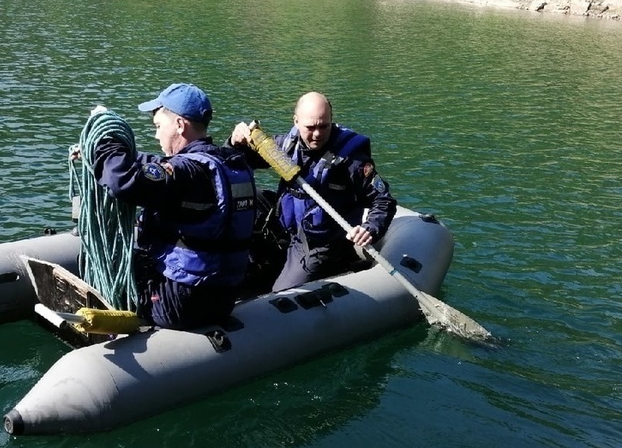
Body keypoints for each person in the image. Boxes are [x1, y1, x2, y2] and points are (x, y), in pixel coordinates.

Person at [90, 82, 257, 329]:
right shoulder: (225, 162)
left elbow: (123, 181)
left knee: (104, 265)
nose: (156, 135)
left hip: (177, 303)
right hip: (221, 298)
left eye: (159, 126)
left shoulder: (187, 173)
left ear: (179, 125)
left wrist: (106, 143)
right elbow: (162, 165)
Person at [231, 91, 396, 292]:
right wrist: (234, 143)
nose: (317, 134)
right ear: (296, 121)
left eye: (323, 126)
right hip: (285, 229)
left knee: (284, 293)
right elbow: (233, 162)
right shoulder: (284, 146)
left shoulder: (352, 161)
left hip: (320, 242)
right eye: (310, 127)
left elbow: (384, 200)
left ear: (331, 121)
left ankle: (336, 266)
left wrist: (370, 228)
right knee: (255, 198)